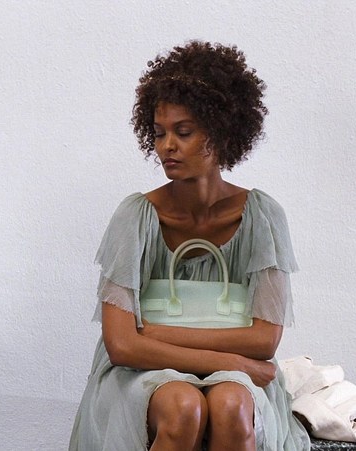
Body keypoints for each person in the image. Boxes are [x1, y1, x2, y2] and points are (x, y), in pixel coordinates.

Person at [69, 41, 311, 450]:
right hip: (141, 374)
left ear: (221, 133)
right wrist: (230, 360)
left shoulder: (263, 217)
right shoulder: (135, 217)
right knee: (182, 406)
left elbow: (264, 341)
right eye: (159, 133)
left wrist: (156, 332)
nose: (167, 146)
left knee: (232, 404)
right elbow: (122, 345)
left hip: (228, 375)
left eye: (183, 132)